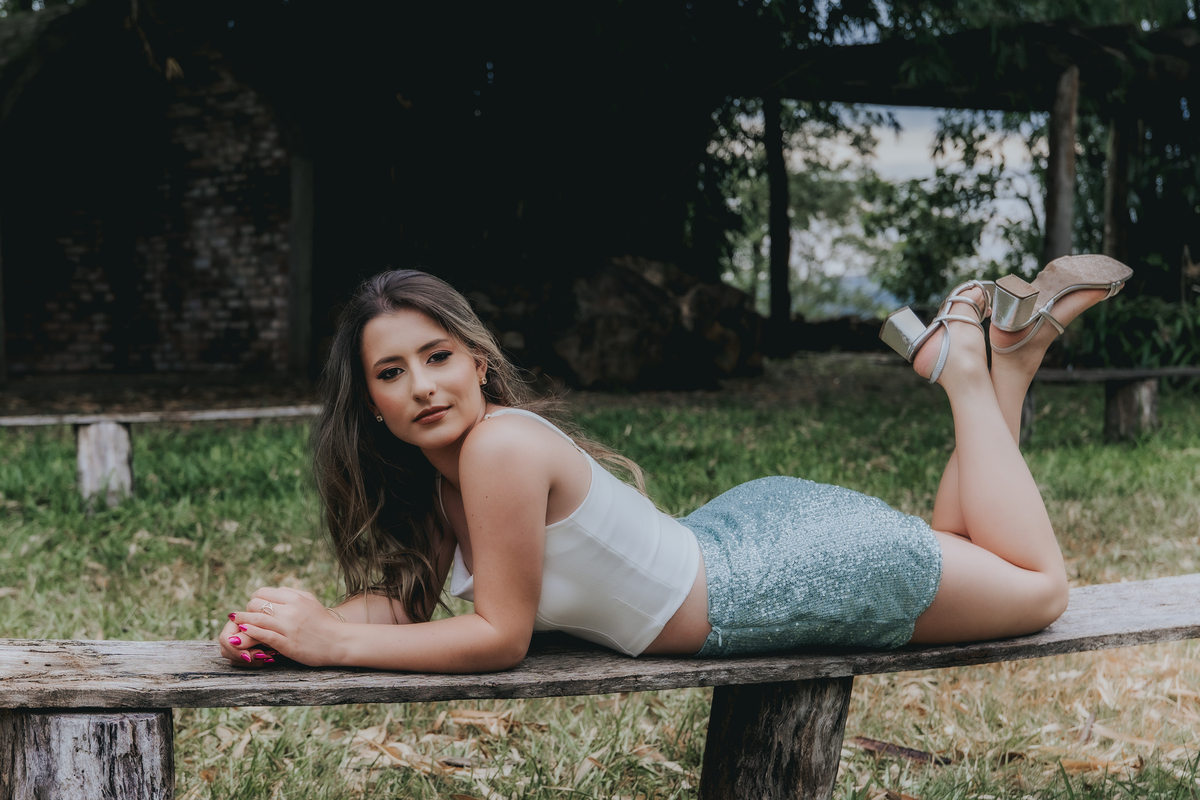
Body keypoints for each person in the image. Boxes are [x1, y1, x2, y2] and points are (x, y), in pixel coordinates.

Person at [219, 256, 1133, 671]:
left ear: (480, 364)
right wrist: (299, 626)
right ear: (370, 403)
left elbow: (498, 638)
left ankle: (967, 372)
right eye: (392, 373)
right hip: (742, 548)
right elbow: (413, 605)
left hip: (771, 582)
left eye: (437, 357)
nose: (421, 385)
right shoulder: (442, 476)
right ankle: (1009, 364)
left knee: (1039, 589)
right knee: (962, 544)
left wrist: (338, 644)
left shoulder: (497, 446)